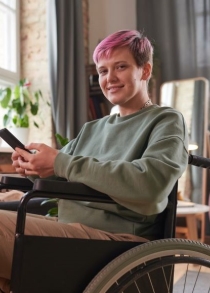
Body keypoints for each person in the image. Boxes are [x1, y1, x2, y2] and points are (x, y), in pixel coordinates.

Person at [0, 29, 189, 293]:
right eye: (102, 71)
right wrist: (35, 167)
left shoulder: (165, 121)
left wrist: (61, 162)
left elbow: (150, 186)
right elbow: (60, 174)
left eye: (120, 67)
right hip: (71, 229)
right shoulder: (93, 128)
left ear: (144, 71)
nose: (109, 78)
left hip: (117, 241)